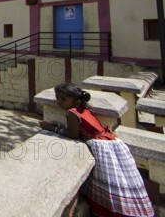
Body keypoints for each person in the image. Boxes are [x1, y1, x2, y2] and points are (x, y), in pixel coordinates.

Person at [39, 83, 154, 217]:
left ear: (75, 100)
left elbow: (73, 134)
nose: (59, 102)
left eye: (63, 99)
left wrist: (51, 128)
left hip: (102, 147)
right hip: (113, 142)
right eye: (57, 98)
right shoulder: (83, 109)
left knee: (110, 183)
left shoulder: (72, 112)